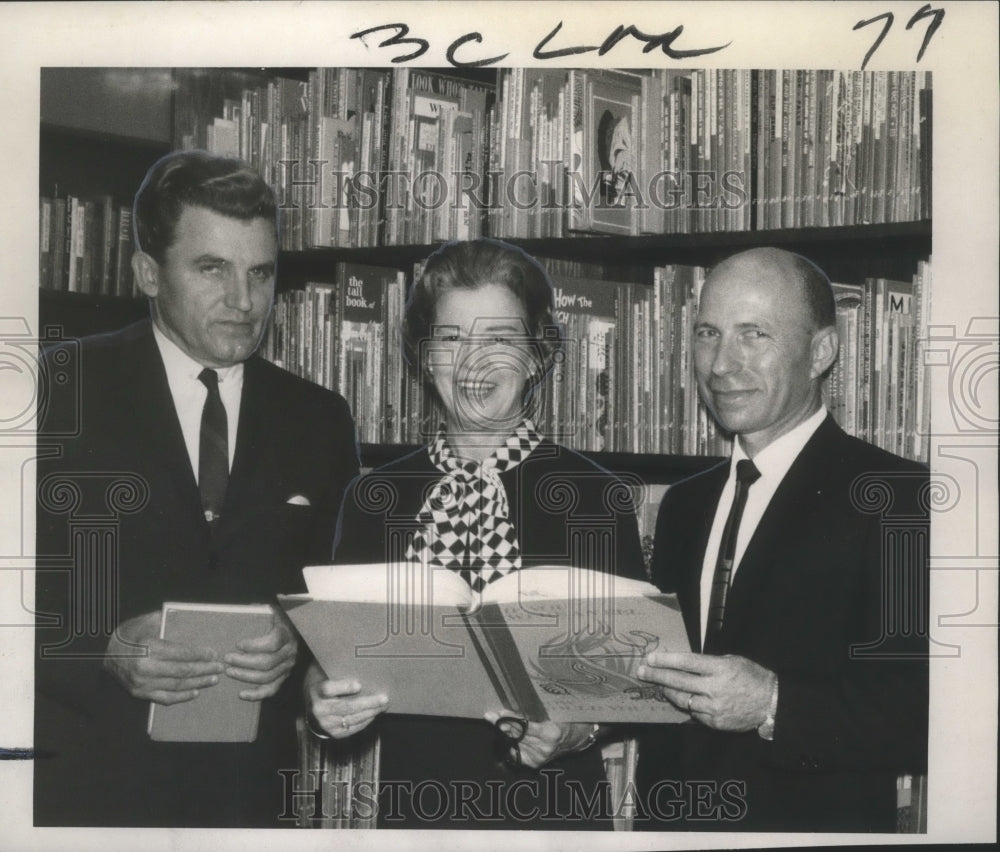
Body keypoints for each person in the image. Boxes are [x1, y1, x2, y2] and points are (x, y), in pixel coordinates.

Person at [34, 150, 360, 827]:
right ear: (148, 273)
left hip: (249, 802)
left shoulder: (320, 418)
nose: (244, 301)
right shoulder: (51, 389)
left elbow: (338, 606)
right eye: (212, 268)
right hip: (84, 795)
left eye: (260, 272)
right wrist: (101, 650)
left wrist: (299, 644)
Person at [306, 238, 645, 828]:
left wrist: (580, 728)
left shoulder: (595, 496)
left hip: (556, 818)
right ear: (422, 355)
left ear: (539, 354)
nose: (474, 365)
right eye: (452, 339)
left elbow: (636, 672)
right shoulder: (371, 499)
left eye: (499, 340)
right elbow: (330, 656)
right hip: (418, 813)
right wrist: (322, 700)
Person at [635, 247, 929, 831]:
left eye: (754, 335)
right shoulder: (683, 505)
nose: (721, 364)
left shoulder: (899, 499)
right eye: (708, 334)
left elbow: (929, 715)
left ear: (821, 351)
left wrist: (774, 703)